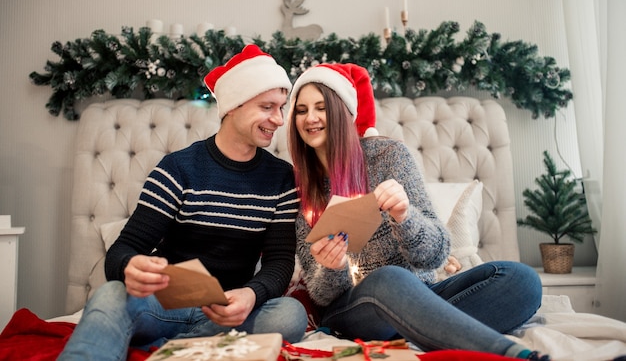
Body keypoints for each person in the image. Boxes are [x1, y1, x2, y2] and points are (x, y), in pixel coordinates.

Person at [286, 62, 551, 361]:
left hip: (422, 296)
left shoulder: (389, 157)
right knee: (390, 279)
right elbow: (322, 296)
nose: (310, 118)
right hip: (353, 310)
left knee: (519, 279)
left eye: (321, 107)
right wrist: (331, 267)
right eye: (301, 110)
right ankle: (515, 355)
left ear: (341, 110)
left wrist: (405, 216)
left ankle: (423, 329)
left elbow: (436, 255)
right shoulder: (299, 189)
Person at [58, 45, 308, 361]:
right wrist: (129, 266)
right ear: (233, 106)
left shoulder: (282, 179)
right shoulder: (178, 168)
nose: (279, 119)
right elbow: (123, 250)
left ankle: (176, 348)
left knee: (290, 314)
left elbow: (279, 262)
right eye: (267, 107)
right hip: (166, 304)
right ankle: (189, 344)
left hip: (230, 310)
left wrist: (251, 294)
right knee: (110, 293)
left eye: (282, 107)